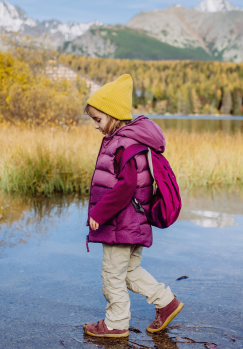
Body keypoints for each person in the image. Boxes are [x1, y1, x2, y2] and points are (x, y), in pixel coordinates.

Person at [82, 74, 184, 338]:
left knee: (112, 276)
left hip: (120, 224)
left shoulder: (123, 145)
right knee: (129, 271)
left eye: (98, 119)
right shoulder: (133, 141)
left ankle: (115, 324)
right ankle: (166, 301)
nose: (96, 126)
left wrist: (100, 213)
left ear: (113, 115)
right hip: (134, 223)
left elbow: (125, 187)